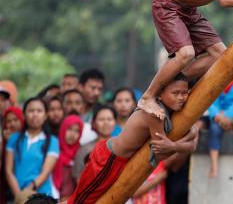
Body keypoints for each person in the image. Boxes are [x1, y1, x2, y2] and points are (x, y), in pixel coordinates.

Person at [68, 73, 199, 204]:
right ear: (159, 94)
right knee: (81, 201)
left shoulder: (167, 110)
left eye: (184, 93)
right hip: (109, 160)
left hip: (117, 161)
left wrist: (178, 144)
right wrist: (182, 144)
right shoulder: (155, 113)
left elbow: (176, 147)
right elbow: (161, 152)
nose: (181, 98)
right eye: (175, 93)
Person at [5, 97, 59, 198]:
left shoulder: (52, 141)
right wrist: (18, 195)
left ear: (45, 115)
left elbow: (45, 172)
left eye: (39, 111)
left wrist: (26, 193)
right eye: (31, 111)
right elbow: (8, 170)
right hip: (17, 195)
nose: (35, 114)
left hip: (42, 196)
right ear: (24, 115)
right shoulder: (14, 139)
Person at [72, 106, 116, 181]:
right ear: (94, 123)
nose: (106, 123)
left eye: (109, 119)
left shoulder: (122, 146)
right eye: (101, 119)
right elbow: (79, 179)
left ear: (115, 122)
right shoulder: (85, 149)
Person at [53, 115, 83, 200]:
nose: (72, 134)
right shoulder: (53, 149)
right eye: (69, 129)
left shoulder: (81, 152)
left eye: (77, 131)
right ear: (63, 129)